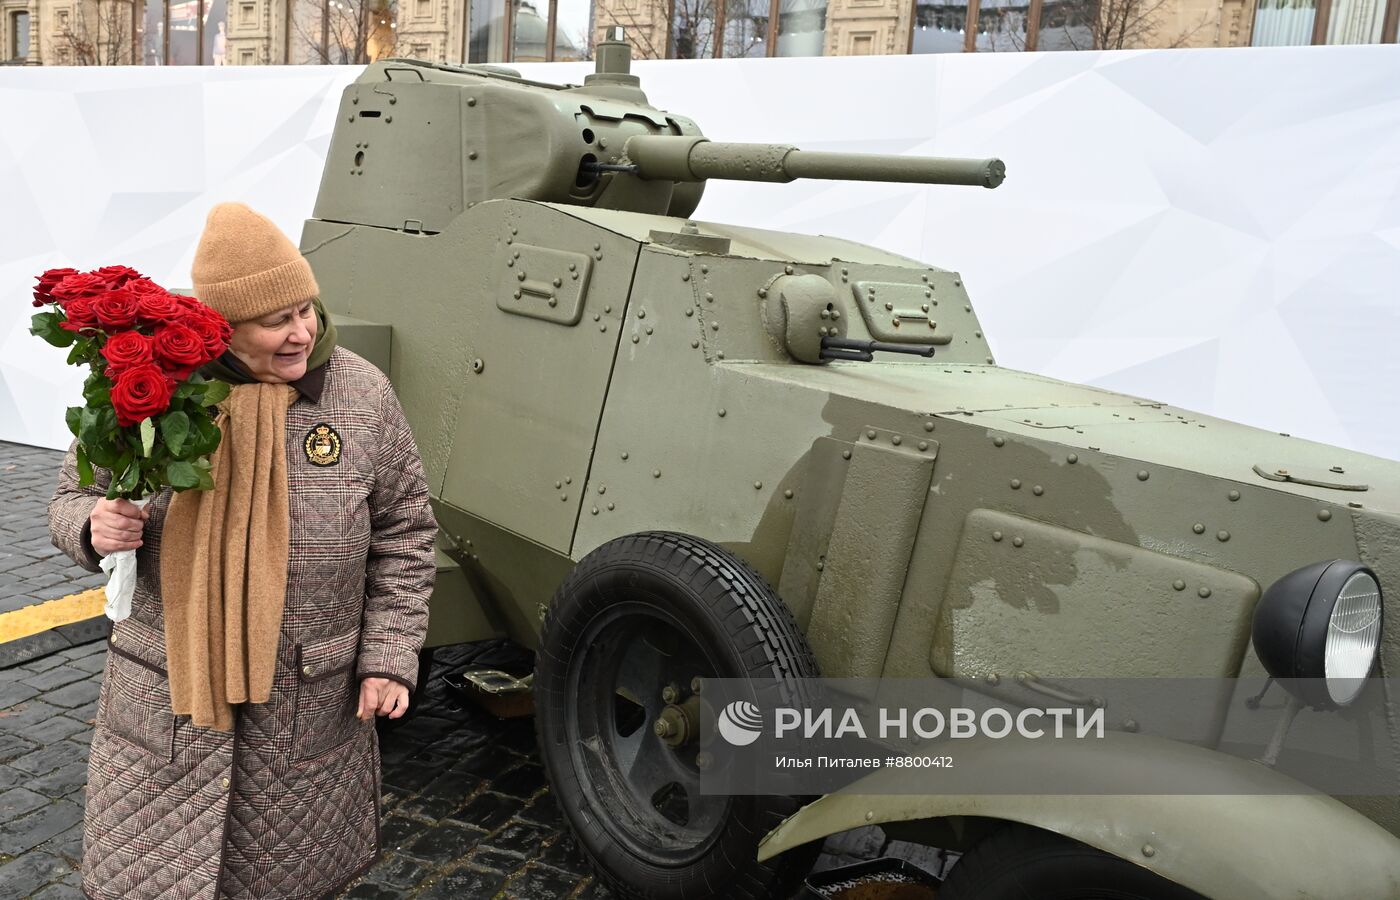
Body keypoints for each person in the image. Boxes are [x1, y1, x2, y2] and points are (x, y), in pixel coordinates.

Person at [47, 202, 437, 899]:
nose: (301, 333)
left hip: (305, 702)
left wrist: (388, 657)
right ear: (223, 326)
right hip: (166, 697)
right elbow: (71, 498)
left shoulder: (361, 394)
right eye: (275, 320)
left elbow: (405, 535)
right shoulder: (159, 391)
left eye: (307, 310)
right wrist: (91, 526)